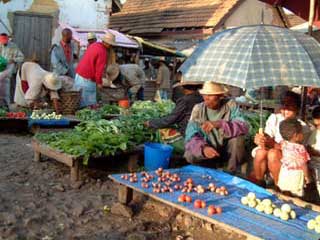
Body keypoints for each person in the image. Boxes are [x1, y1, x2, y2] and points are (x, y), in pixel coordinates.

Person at [184, 81, 249, 172]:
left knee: (238, 139)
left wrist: (219, 124)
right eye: (204, 95)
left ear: (221, 96)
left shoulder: (230, 105)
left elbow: (243, 127)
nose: (206, 98)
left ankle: (230, 172)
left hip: (226, 150)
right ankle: (207, 167)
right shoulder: (198, 109)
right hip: (207, 149)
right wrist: (203, 148)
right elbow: (190, 134)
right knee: (190, 152)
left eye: (211, 95)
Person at [252, 91, 310, 185]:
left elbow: (298, 151)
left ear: (297, 109)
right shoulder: (274, 118)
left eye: (290, 107)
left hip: (288, 157)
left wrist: (275, 145)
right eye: (284, 106)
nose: (286, 110)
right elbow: (267, 135)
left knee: (273, 153)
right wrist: (261, 139)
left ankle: (278, 185)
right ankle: (259, 182)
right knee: (260, 152)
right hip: (270, 151)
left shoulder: (302, 127)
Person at [145, 82, 203, 154]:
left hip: (188, 133)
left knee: (162, 131)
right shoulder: (201, 98)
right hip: (200, 131)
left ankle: (175, 152)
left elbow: (171, 119)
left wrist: (151, 123)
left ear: (183, 87)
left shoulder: (185, 100)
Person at [75, 32, 116, 107]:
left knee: (78, 97)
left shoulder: (94, 45)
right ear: (108, 44)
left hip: (79, 74)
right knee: (88, 102)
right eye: (111, 45)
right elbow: (99, 71)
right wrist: (99, 83)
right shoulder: (103, 52)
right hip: (87, 77)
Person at [277, 118, 311, 197]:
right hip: (296, 174)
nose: (303, 134)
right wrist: (307, 177)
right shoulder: (300, 148)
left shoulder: (284, 143)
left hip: (284, 172)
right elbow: (303, 164)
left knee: (285, 192)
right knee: (296, 195)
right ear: (296, 135)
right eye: (301, 132)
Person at [0, 33, 24, 105]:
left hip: (9, 70)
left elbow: (21, 57)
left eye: (5, 41)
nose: (4, 42)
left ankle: (8, 105)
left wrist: (13, 60)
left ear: (8, 39)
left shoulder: (13, 46)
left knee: (9, 89)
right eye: (2, 41)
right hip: (1, 69)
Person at [307, 106, 320, 197]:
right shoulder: (314, 132)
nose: (318, 127)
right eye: (316, 125)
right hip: (313, 164)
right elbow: (309, 148)